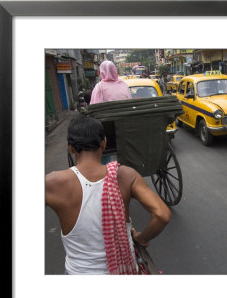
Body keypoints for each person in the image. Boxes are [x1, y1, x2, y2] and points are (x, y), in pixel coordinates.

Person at [45, 115, 171, 274]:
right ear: (104, 142)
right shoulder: (126, 175)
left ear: (70, 147)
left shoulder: (52, 183)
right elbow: (162, 214)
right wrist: (141, 238)